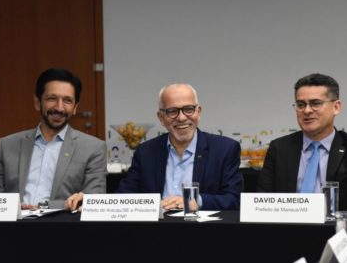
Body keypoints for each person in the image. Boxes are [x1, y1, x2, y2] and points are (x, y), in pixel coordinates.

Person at [66, 83, 242, 211]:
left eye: (188, 109)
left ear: (198, 112)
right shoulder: (146, 152)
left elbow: (233, 200)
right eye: (172, 111)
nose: (181, 118)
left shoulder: (225, 149)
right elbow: (124, 196)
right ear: (161, 117)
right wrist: (91, 203)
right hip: (154, 233)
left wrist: (195, 201)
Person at [257, 73, 347, 215]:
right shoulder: (279, 148)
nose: (306, 110)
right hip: (288, 231)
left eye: (315, 103)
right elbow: (263, 198)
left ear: (336, 107)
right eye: (301, 104)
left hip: (337, 232)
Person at [0, 68, 107, 210]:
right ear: (37, 102)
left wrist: (42, 206)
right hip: (15, 226)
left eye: (67, 100)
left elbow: (92, 199)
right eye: (52, 99)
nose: (59, 108)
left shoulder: (93, 148)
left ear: (75, 107)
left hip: (62, 226)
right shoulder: (7, 145)